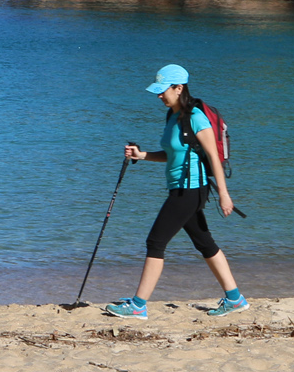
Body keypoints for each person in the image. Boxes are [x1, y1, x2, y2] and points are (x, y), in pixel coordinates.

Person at [104, 64, 248, 319]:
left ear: (178, 88)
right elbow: (172, 155)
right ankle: (235, 299)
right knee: (204, 242)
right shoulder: (173, 116)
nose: (159, 96)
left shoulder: (195, 117)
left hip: (189, 190)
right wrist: (142, 155)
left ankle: (138, 305)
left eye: (163, 91)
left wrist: (225, 195)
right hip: (181, 188)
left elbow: (214, 159)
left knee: (155, 242)